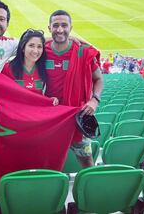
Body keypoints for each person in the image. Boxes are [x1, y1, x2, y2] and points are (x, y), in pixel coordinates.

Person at [44, 10, 103, 168]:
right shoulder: (41, 50)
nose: (60, 29)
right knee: (50, 163)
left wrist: (94, 100)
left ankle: (91, 191)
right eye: (55, 25)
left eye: (64, 25)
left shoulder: (83, 52)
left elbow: (98, 79)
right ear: (49, 28)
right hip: (52, 119)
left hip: (78, 118)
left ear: (71, 27)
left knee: (87, 162)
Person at [2, 29, 58, 105]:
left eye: (39, 47)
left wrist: (50, 100)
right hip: (15, 113)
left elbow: (40, 96)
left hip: (36, 114)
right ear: (23, 48)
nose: (35, 51)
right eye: (31, 45)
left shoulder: (44, 69)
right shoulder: (8, 68)